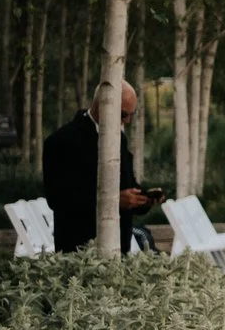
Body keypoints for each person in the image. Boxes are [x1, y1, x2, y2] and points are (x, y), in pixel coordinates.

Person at [42, 83, 148, 253]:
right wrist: (113, 201)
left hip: (119, 248)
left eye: (131, 115)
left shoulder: (119, 139)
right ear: (102, 106)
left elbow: (128, 185)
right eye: (123, 114)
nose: (127, 121)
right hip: (78, 248)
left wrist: (143, 199)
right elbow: (59, 199)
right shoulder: (61, 142)